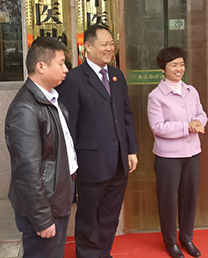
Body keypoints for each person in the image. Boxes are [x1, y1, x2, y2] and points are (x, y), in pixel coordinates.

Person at [57, 24, 139, 258]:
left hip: (119, 161)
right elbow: (69, 126)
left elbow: (126, 115)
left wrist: (131, 150)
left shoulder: (117, 76)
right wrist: (71, 165)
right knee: (89, 217)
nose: (109, 48)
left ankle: (103, 253)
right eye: (104, 44)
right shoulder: (74, 79)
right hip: (91, 163)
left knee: (110, 215)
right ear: (88, 47)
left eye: (112, 44)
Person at [5, 36, 78, 258]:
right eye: (61, 63)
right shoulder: (26, 109)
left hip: (56, 197)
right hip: (45, 205)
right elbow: (27, 170)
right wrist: (42, 218)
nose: (66, 69)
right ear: (41, 67)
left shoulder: (51, 99)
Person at [147, 47, 208, 258]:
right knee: (168, 200)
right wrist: (187, 127)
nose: (179, 69)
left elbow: (202, 113)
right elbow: (157, 127)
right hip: (168, 157)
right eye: (174, 65)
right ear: (163, 69)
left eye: (181, 64)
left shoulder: (191, 91)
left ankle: (187, 238)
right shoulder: (156, 96)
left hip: (192, 153)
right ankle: (170, 241)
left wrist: (199, 122)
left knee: (189, 197)